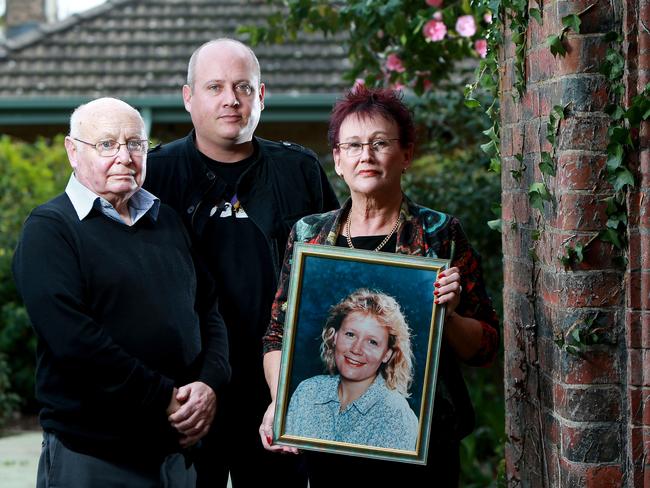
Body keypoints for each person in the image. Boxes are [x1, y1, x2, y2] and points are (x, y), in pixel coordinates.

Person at [260, 86, 499, 487]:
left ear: (406, 155)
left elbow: (486, 347)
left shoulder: (440, 234)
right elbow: (275, 336)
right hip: (328, 446)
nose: (365, 155)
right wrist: (281, 402)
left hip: (421, 446)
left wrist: (450, 316)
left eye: (380, 143)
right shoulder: (309, 236)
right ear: (337, 160)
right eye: (352, 145)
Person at [144, 38, 339, 487]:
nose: (231, 99)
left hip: (278, 387)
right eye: (214, 87)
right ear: (188, 97)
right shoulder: (155, 176)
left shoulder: (299, 170)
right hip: (190, 391)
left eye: (243, 87)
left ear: (261, 95)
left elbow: (331, 277)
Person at [12, 97, 231, 487]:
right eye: (107, 144)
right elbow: (75, 342)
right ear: (72, 151)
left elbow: (209, 309)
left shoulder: (169, 222)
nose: (125, 157)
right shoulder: (50, 229)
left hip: (175, 454)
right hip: (95, 456)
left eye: (135, 144)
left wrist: (210, 382)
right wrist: (167, 397)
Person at [286, 289, 418, 451]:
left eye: (372, 342)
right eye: (350, 334)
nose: (356, 349)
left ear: (387, 354)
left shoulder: (396, 414)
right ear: (334, 337)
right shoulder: (307, 391)